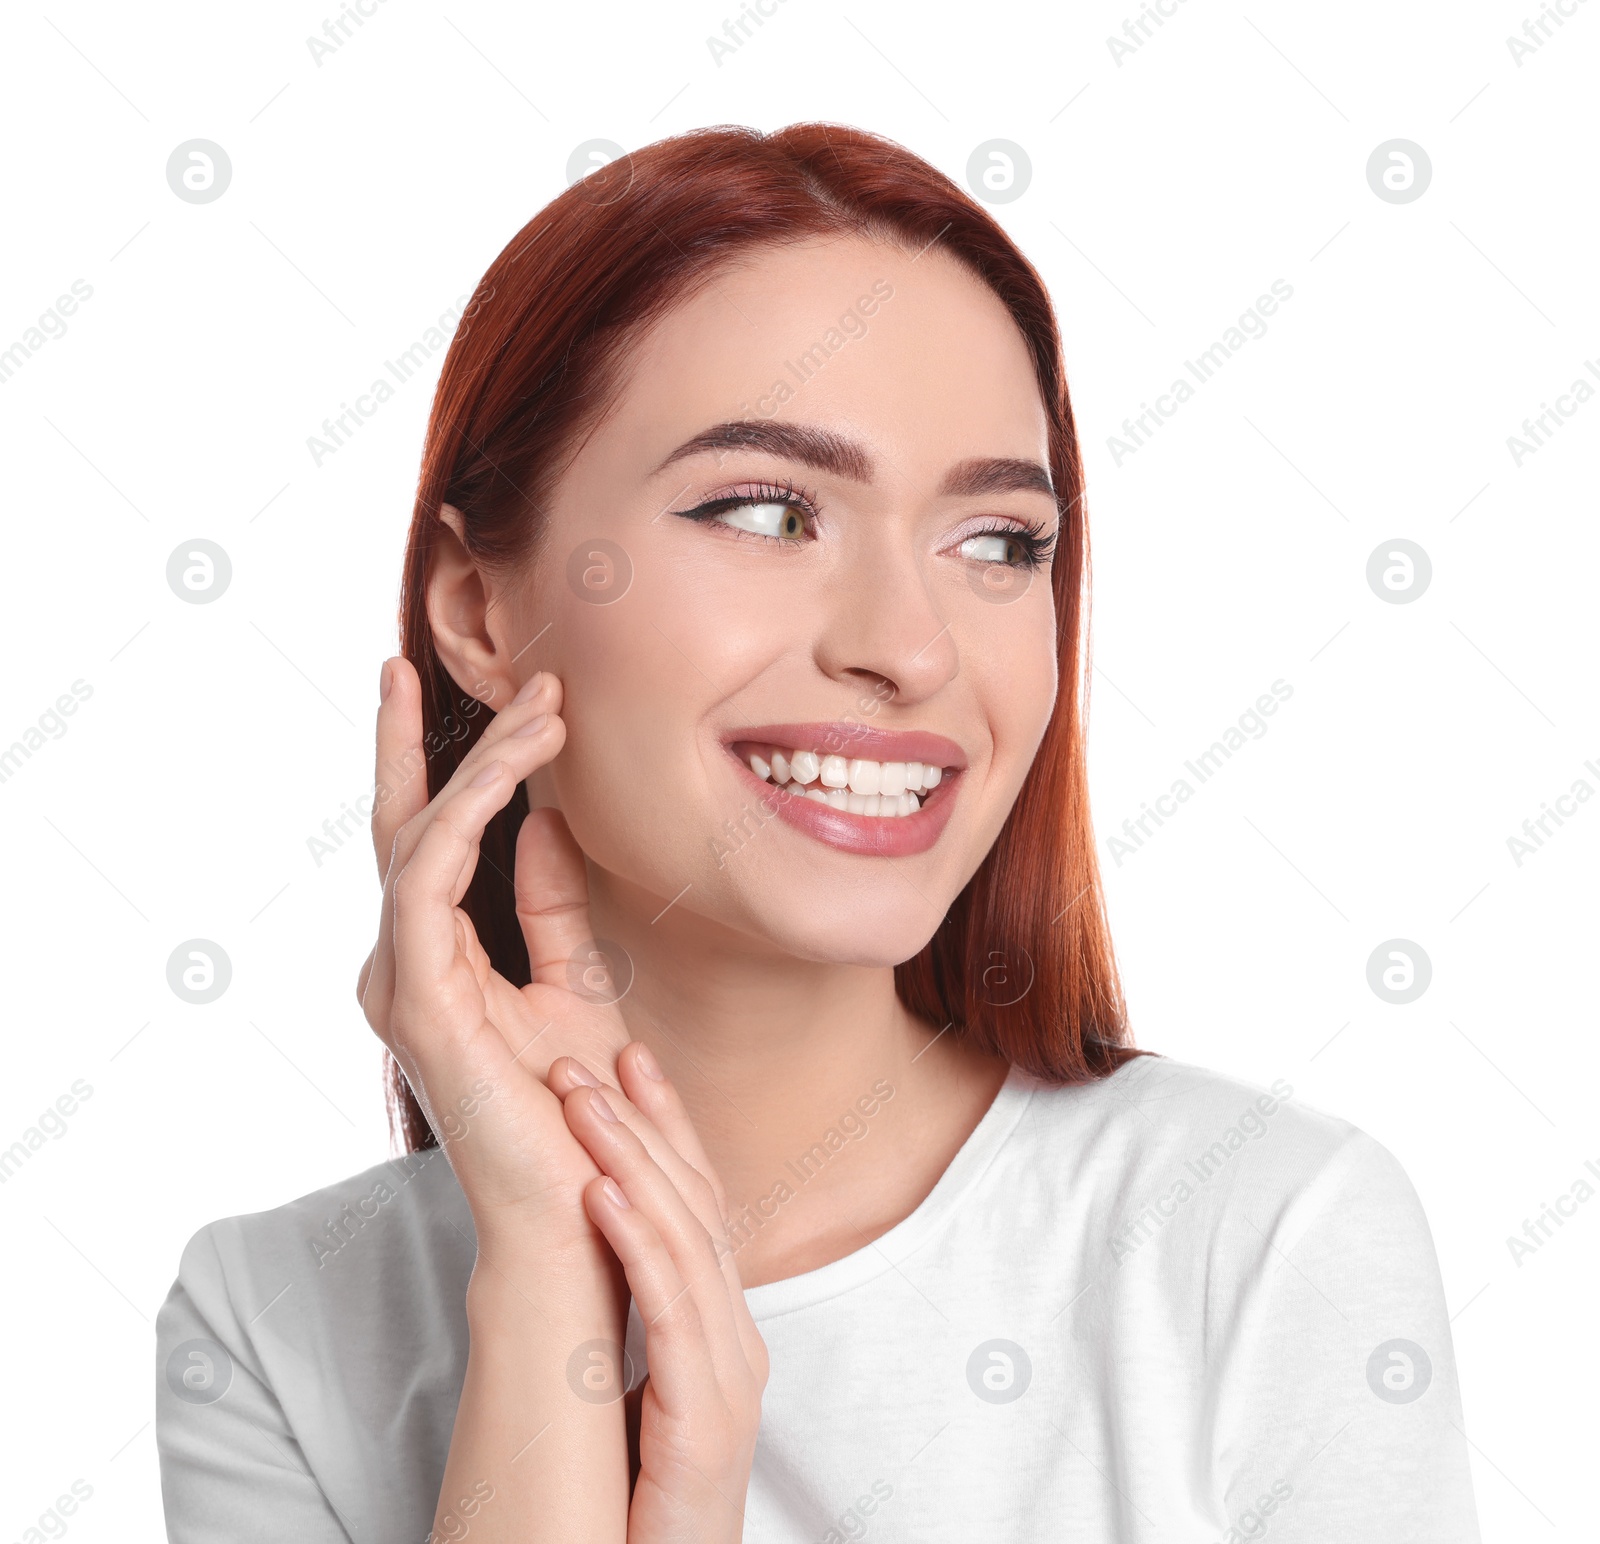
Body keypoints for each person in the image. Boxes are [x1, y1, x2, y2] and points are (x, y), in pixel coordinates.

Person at [156, 123, 1480, 1543]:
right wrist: (548, 1279)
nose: (909, 648)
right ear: (480, 610)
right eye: (768, 510)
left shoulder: (1264, 1240)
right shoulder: (275, 1330)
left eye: (997, 541)